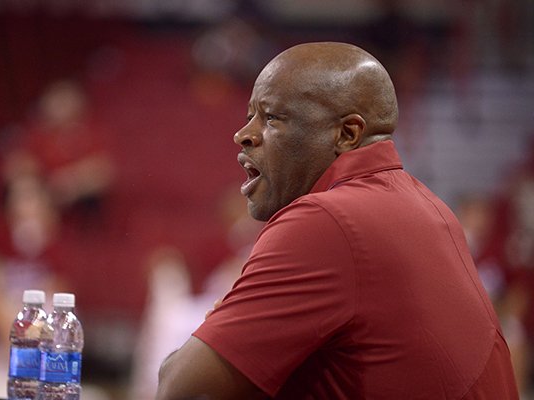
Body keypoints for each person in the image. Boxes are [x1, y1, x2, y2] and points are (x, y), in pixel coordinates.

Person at [155, 42, 519, 399]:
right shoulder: (430, 206)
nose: (244, 134)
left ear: (347, 134)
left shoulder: (325, 220)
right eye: (250, 116)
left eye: (271, 117)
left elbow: (182, 387)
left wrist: (218, 328)